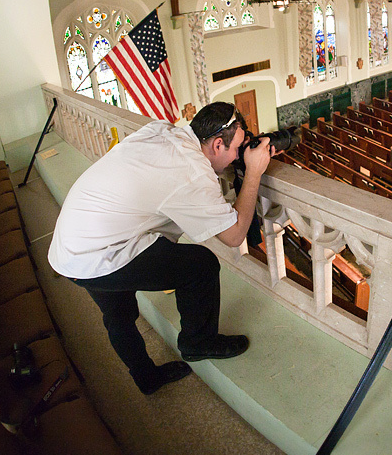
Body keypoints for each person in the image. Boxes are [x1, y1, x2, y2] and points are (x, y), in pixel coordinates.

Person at [47, 102, 274, 395]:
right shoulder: (193, 172)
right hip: (98, 252)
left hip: (71, 244)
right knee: (200, 265)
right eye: (238, 148)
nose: (238, 155)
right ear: (218, 144)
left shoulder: (162, 130)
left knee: (118, 314)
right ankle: (198, 343)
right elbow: (234, 236)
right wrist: (254, 172)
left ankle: (145, 378)